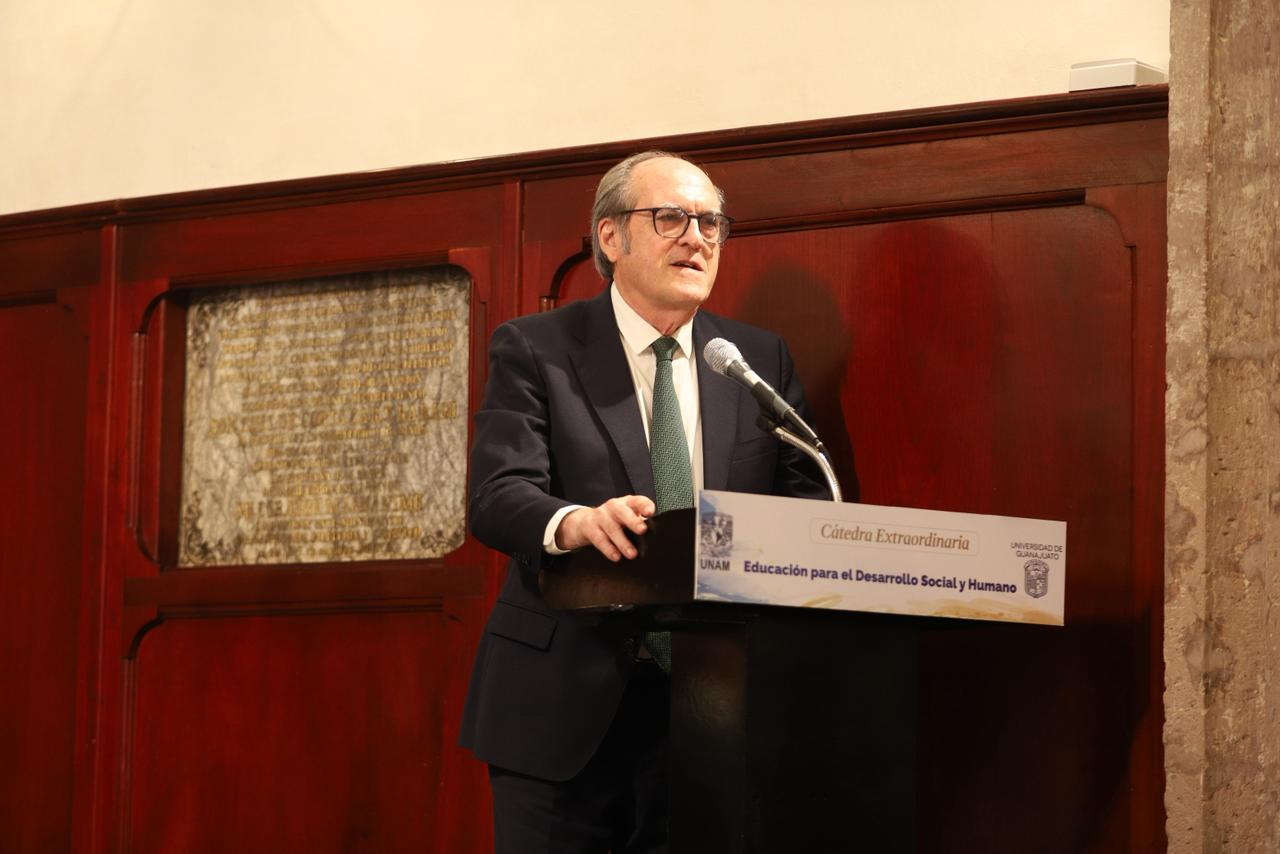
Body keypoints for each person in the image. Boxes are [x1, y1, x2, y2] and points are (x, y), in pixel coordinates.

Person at [459, 151, 829, 853]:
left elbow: (807, 501)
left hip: (712, 711)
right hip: (561, 706)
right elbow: (497, 494)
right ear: (610, 237)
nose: (696, 237)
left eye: (711, 222)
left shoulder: (752, 360)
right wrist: (575, 523)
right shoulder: (538, 349)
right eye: (670, 218)